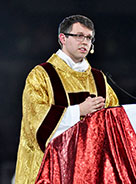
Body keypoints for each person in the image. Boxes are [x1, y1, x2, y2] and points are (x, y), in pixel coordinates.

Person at [15, 15, 119, 184]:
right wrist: (79, 111)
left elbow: (114, 119)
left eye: (88, 37)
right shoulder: (41, 75)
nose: (85, 42)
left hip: (88, 171)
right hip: (49, 171)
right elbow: (35, 120)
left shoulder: (99, 79)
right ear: (62, 38)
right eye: (79, 36)